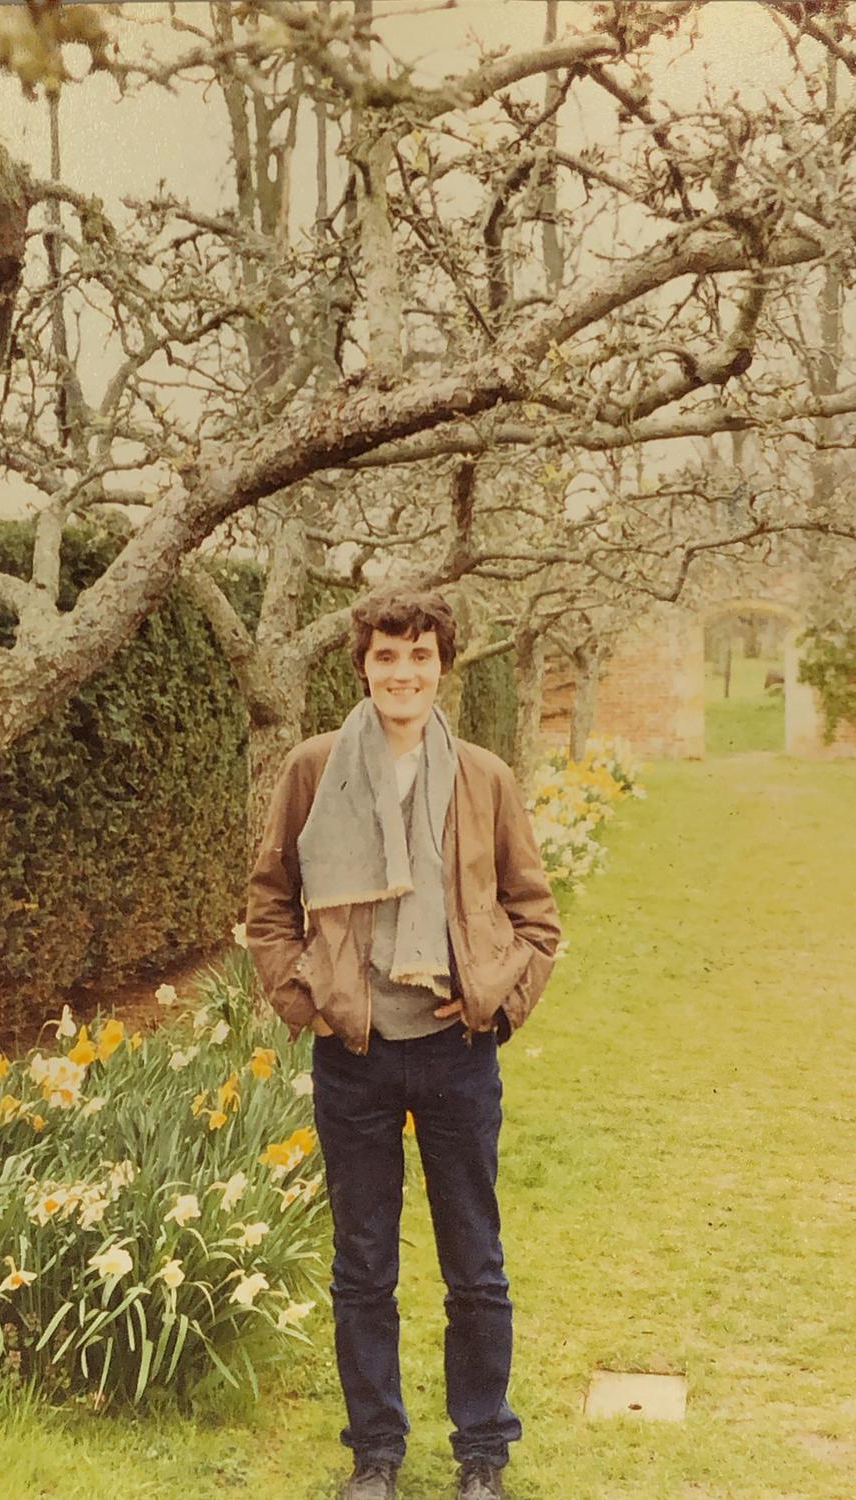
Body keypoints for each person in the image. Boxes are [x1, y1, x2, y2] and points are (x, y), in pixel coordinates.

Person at [246, 587, 561, 1500]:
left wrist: (497, 1005)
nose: (403, 674)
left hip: (458, 1051)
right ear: (363, 666)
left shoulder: (484, 779)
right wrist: (305, 999)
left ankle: (482, 1453)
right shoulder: (314, 769)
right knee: (362, 1266)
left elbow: (536, 917)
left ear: (442, 668)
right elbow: (270, 901)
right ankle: (375, 1454)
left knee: (476, 1264)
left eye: (420, 656)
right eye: (386, 656)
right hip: (357, 1053)